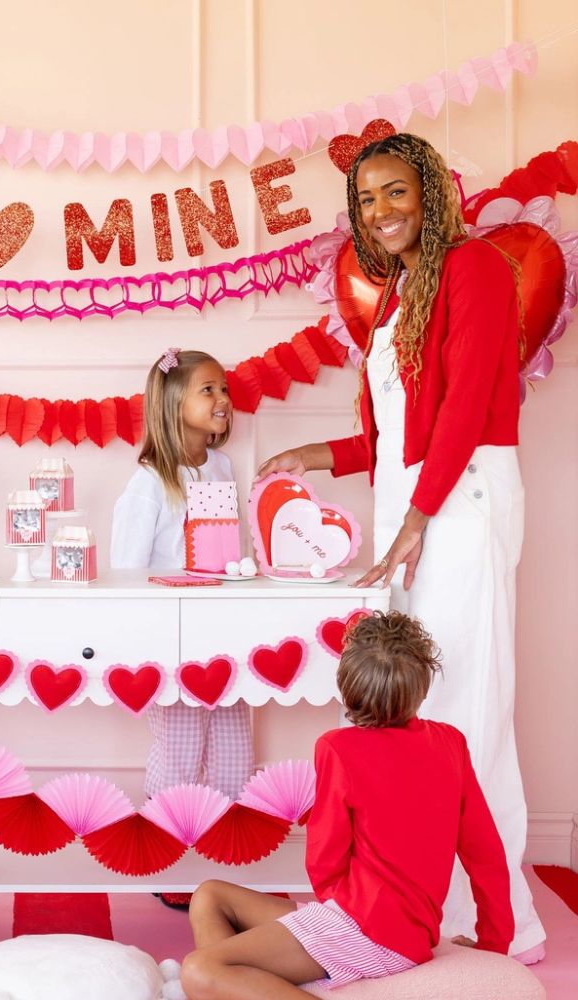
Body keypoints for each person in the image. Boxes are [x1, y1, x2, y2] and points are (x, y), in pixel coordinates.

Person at [255, 132, 544, 960]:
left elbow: (464, 408)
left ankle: (502, 927)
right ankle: (426, 912)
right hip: (415, 505)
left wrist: (419, 518)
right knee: (421, 715)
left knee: (466, 708)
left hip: (460, 503)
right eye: (367, 198)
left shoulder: (475, 268)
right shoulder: (400, 291)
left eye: (395, 191)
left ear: (431, 193)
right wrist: (319, 455)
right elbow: (399, 435)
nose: (381, 210)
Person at [181, 611, 513, 999]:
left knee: (198, 969)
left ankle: (237, 984)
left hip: (364, 930)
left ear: (348, 688)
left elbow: (324, 861)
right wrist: (494, 944)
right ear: (421, 689)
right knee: (210, 896)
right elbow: (486, 854)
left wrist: (341, 919)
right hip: (379, 924)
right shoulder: (450, 743)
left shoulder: (338, 748)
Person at [111, 349, 253, 909]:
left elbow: (229, 544)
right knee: (181, 745)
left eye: (224, 390)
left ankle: (222, 859)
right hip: (170, 632)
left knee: (235, 746)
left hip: (223, 627)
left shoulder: (222, 467)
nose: (223, 400)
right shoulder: (150, 481)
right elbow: (126, 569)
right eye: (208, 390)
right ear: (174, 404)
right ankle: (166, 850)